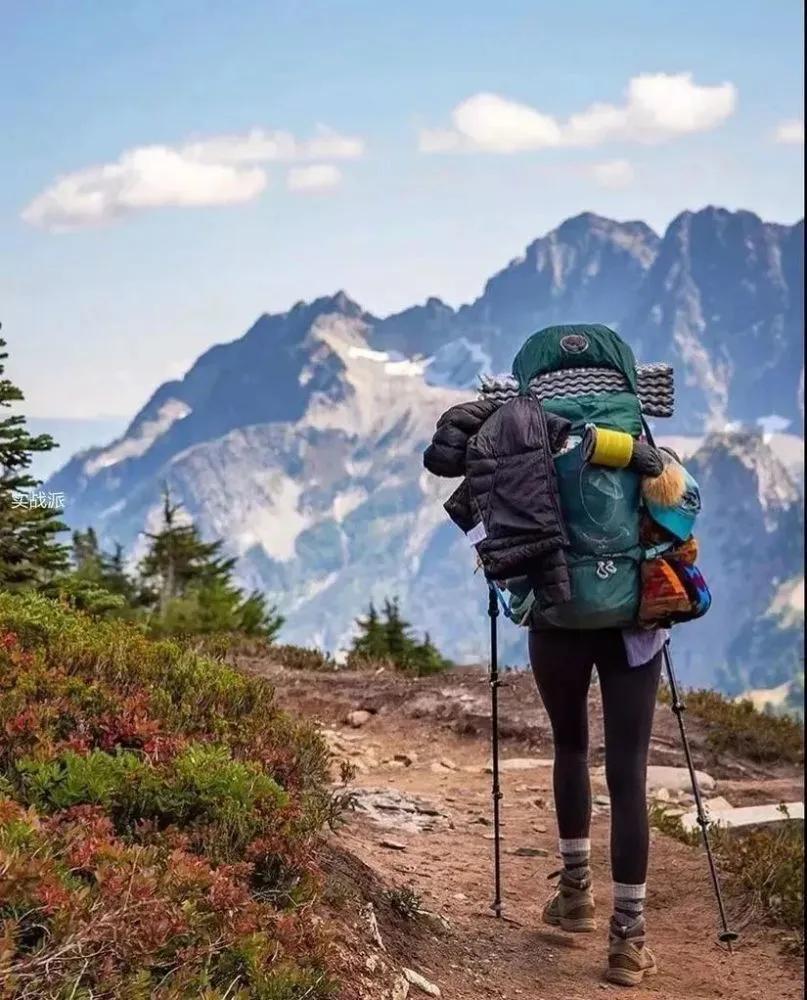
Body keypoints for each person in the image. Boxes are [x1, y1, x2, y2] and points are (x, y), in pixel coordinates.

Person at [532, 624, 666, 987]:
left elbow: (505, 569)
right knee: (628, 773)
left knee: (570, 746)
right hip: (633, 628)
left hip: (558, 621)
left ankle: (575, 890)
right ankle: (627, 936)